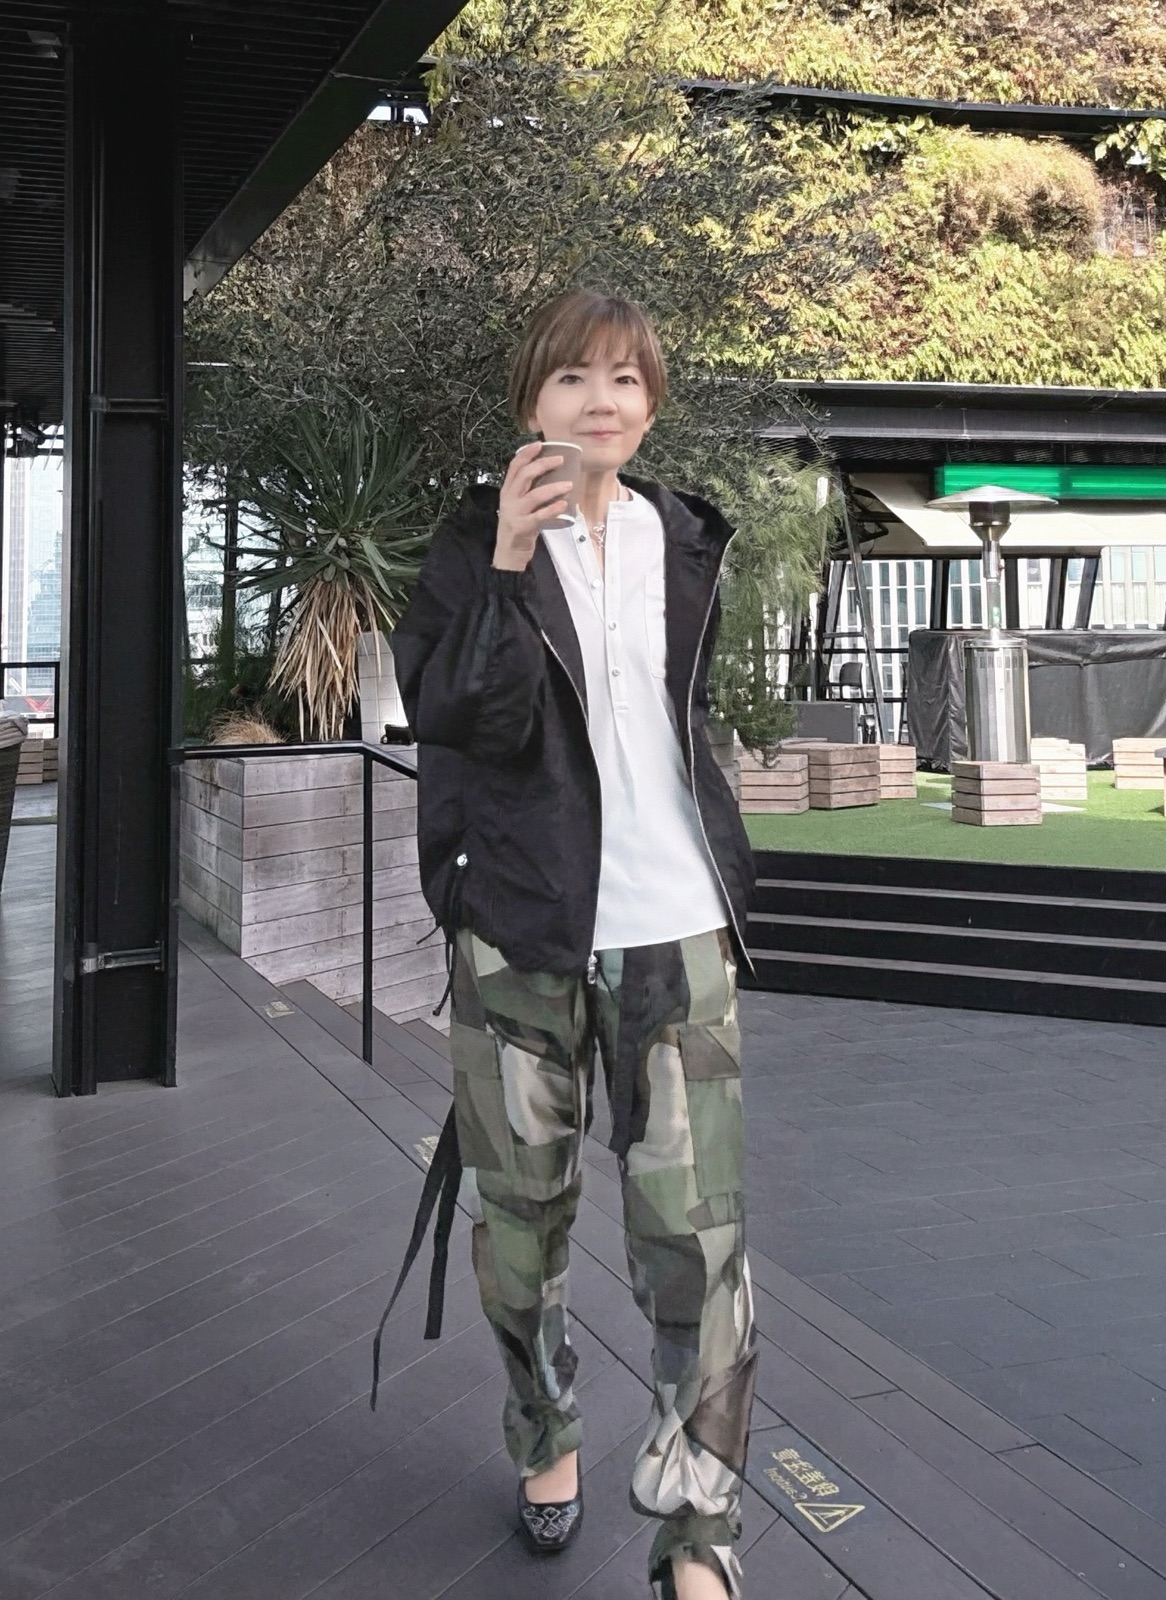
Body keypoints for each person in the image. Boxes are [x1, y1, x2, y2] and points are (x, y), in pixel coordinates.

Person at [386, 290, 758, 1600]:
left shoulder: (687, 537)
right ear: (530, 401)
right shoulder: (466, 543)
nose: (602, 400)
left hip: (675, 934)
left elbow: (675, 723)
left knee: (699, 1245)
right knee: (518, 1230)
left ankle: (700, 1536)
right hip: (523, 931)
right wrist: (504, 561)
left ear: (650, 404)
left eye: (625, 379)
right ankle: (544, 1429)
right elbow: (458, 716)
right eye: (573, 378)